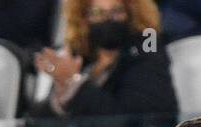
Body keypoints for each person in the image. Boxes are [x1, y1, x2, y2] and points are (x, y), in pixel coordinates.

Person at [33, 0, 176, 118]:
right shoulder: (81, 59)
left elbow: (130, 120)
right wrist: (61, 95)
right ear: (83, 18)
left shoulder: (147, 51)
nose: (108, 19)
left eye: (117, 11)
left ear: (132, 14)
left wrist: (73, 83)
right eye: (97, 13)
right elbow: (40, 123)